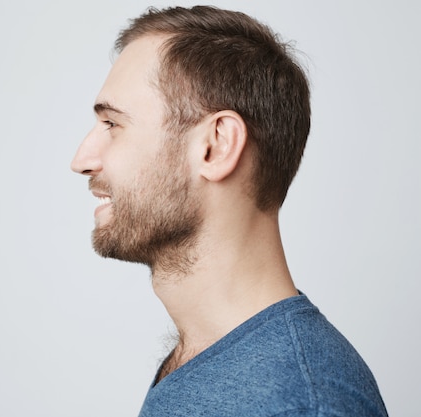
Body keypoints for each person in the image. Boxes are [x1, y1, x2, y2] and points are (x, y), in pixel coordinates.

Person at [70, 5, 388, 417]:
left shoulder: (300, 404)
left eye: (113, 124)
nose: (81, 159)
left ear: (216, 145)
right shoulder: (211, 356)